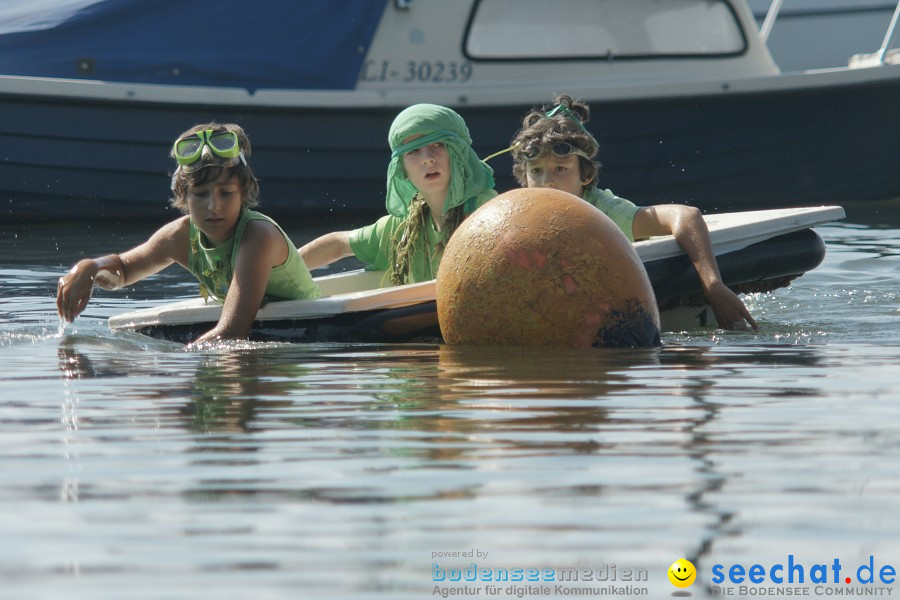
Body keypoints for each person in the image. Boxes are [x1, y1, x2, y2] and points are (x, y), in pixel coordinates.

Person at [509, 95, 757, 331]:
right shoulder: (521, 212)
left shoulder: (603, 209)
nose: (547, 182)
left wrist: (713, 285)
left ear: (585, 175)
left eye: (560, 169)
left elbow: (686, 216)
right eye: (536, 171)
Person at [56, 122, 320, 344]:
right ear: (183, 194)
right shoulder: (181, 236)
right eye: (201, 194)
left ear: (244, 191)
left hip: (302, 347)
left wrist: (175, 364)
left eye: (226, 193)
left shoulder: (258, 236)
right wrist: (89, 268)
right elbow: (124, 271)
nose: (214, 205)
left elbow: (231, 334)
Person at [300, 104, 496, 285]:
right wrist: (277, 273)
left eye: (438, 145)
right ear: (401, 168)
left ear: (460, 153)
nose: (427, 159)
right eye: (414, 151)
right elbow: (338, 244)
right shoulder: (400, 229)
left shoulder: (491, 213)